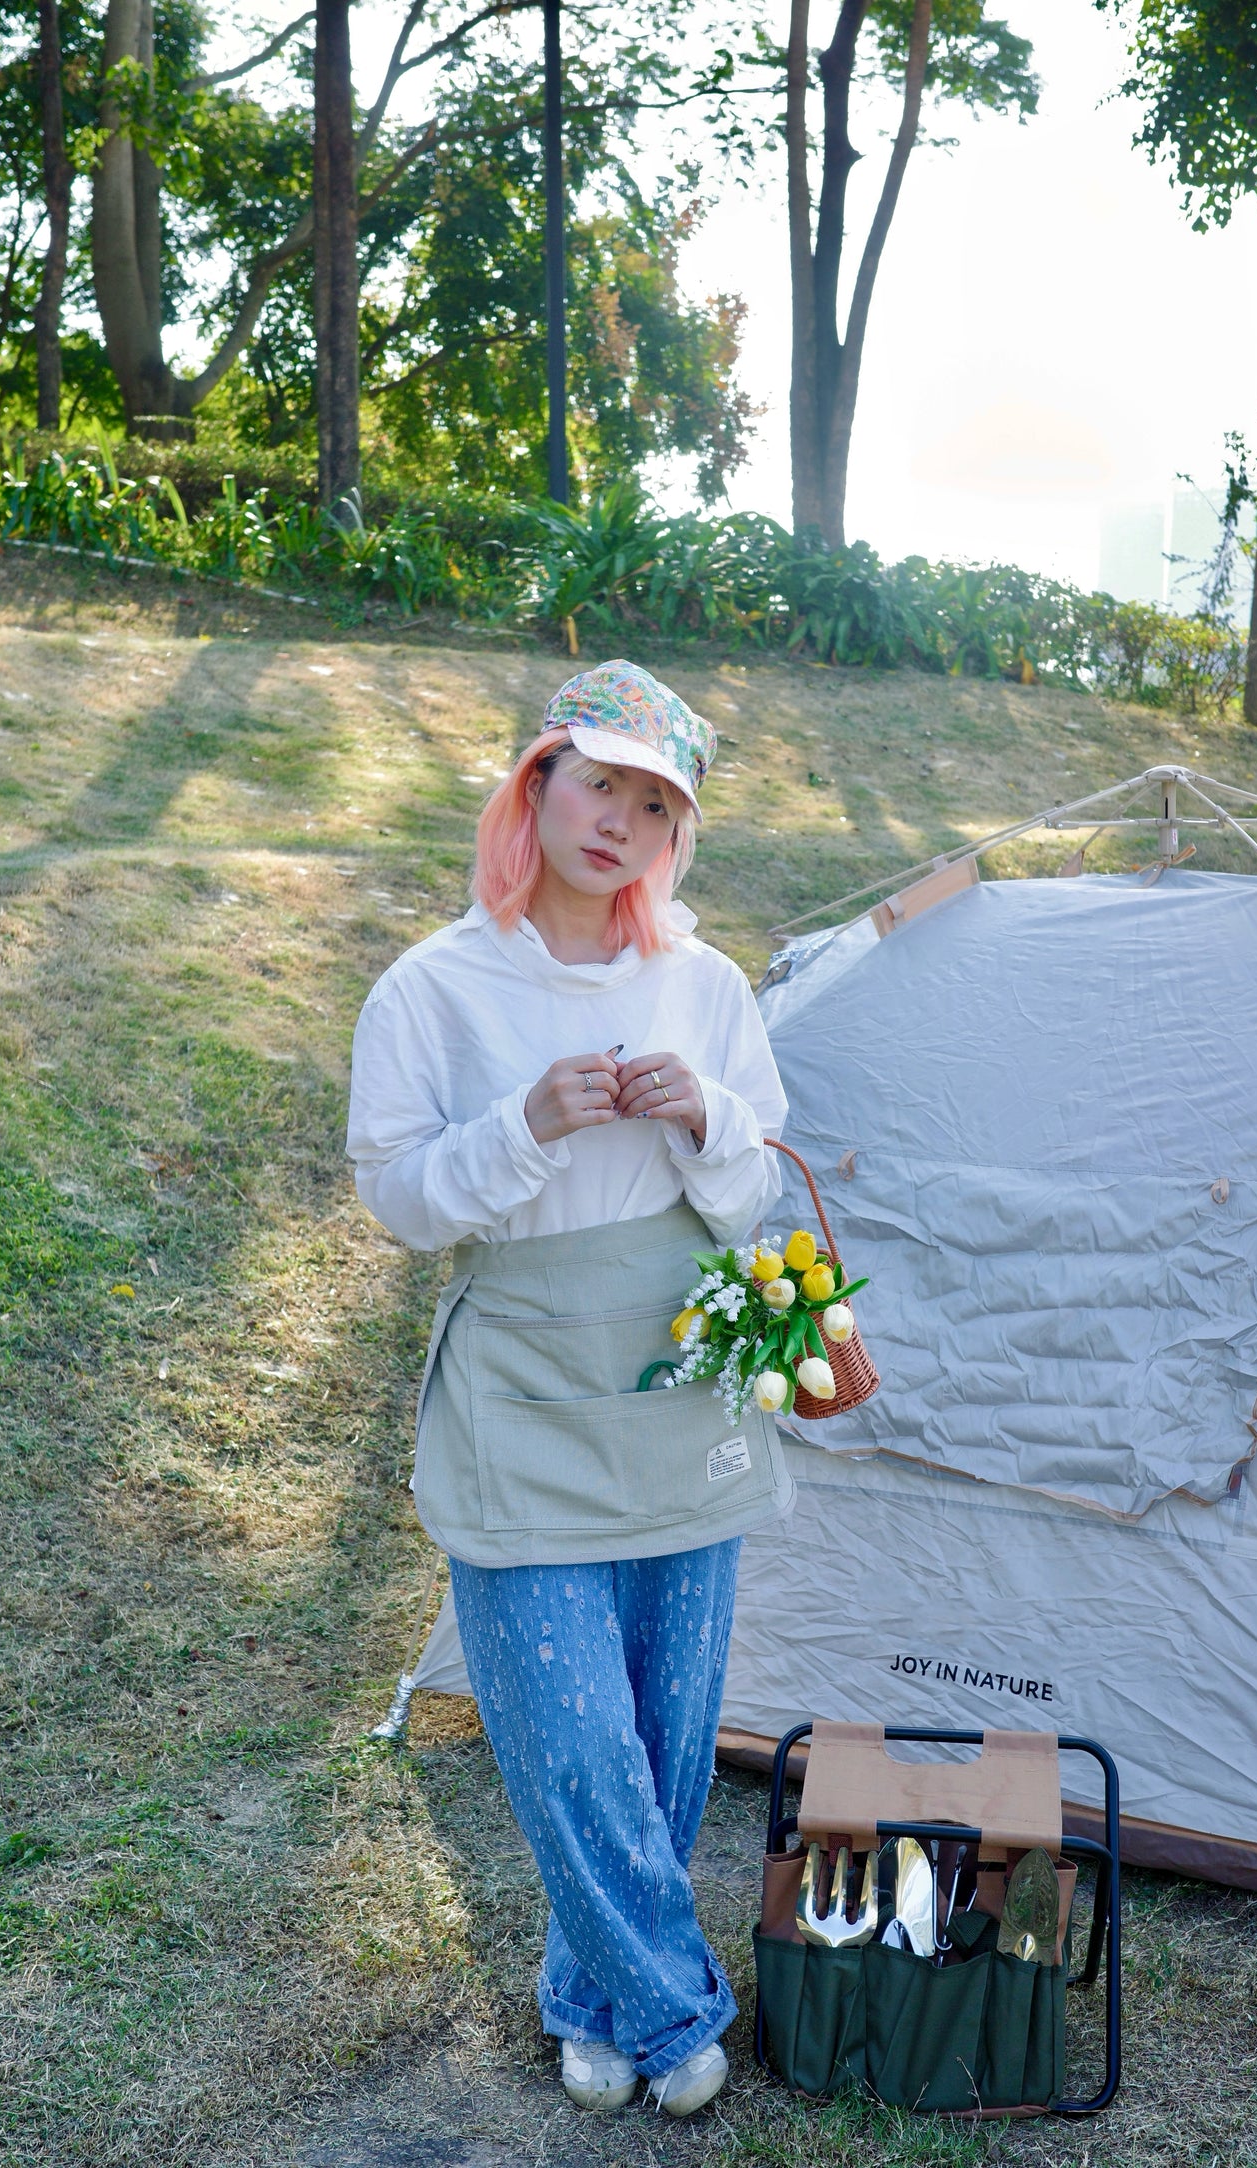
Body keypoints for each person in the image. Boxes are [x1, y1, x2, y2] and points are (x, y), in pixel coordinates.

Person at [346, 660, 793, 2119]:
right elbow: (403, 1203)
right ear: (535, 783)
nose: (621, 820)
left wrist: (705, 1111)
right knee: (568, 1734)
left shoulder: (705, 986)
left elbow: (756, 1187)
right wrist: (522, 1122)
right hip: (520, 1388)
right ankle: (673, 2017)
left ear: (675, 837)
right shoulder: (435, 987)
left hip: (678, 1381)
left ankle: (584, 1997)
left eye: (654, 803)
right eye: (599, 781)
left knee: (663, 1733)